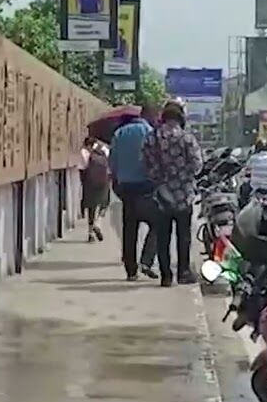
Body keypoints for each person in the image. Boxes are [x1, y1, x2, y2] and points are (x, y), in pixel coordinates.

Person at [142, 102, 203, 287]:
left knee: (163, 237)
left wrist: (159, 178)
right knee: (184, 236)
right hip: (184, 195)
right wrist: (183, 175)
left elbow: (145, 164)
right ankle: (183, 272)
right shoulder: (187, 138)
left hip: (161, 196)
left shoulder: (152, 138)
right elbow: (197, 165)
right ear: (181, 118)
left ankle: (166, 276)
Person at [110, 105, 158, 280]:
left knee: (129, 229)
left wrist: (117, 180)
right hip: (146, 186)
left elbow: (112, 161)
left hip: (126, 187)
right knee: (157, 224)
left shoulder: (119, 133)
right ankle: (146, 260)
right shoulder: (150, 132)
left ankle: (131, 271)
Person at [80, 137, 110, 242]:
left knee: (91, 207)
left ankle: (90, 234)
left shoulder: (84, 152)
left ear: (87, 145)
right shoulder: (105, 150)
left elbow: (82, 166)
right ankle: (98, 223)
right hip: (104, 181)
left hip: (90, 182)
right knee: (104, 204)